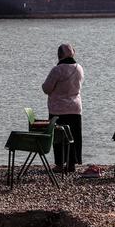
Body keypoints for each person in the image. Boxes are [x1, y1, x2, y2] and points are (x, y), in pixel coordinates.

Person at [41, 43, 84, 172]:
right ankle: (72, 164)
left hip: (58, 109)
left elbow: (46, 88)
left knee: (59, 137)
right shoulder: (79, 68)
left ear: (60, 55)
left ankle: (60, 164)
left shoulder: (57, 70)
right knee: (74, 136)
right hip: (75, 108)